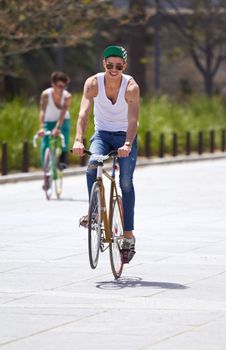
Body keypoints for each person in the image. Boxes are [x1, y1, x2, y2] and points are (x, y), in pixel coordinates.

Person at [72, 45, 140, 263]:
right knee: (92, 165)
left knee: (126, 183)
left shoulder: (131, 87)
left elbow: (133, 120)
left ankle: (128, 236)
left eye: (118, 66)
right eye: (109, 65)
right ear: (103, 64)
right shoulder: (93, 83)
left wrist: (128, 144)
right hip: (102, 134)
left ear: (124, 66)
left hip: (124, 136)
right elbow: (83, 113)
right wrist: (78, 139)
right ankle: (94, 213)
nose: (113, 69)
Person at [38, 71, 72, 171]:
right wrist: (41, 127)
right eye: (60, 86)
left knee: (63, 138)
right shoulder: (45, 95)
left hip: (63, 120)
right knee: (45, 142)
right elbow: (42, 111)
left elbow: (62, 113)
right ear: (53, 85)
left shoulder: (67, 96)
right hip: (49, 121)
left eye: (64, 87)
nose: (62, 89)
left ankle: (63, 161)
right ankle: (45, 168)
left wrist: (57, 128)